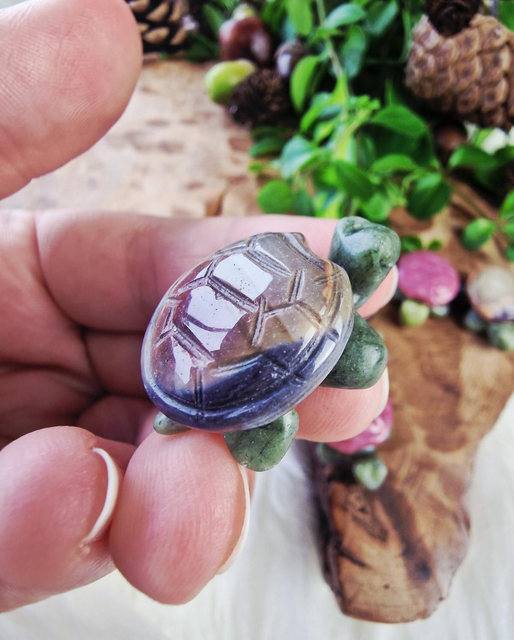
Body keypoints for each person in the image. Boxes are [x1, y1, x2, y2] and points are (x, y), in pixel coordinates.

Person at [0, 0, 394, 612]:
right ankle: (205, 417)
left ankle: (197, 416)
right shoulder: (312, 268)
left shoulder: (293, 251)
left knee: (355, 369)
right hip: (213, 347)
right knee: (335, 385)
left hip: (206, 342)